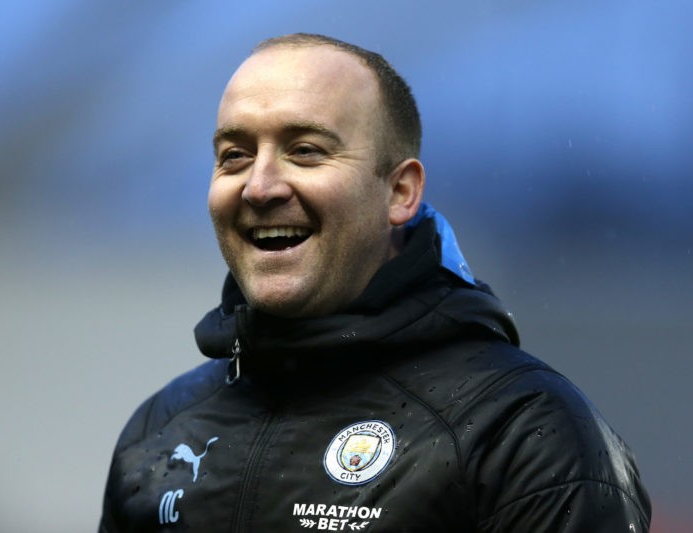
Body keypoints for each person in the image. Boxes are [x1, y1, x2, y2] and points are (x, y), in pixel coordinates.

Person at [99, 33, 650, 532]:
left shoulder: (517, 429)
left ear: (400, 193)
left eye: (305, 151)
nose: (259, 186)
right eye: (235, 156)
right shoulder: (161, 429)